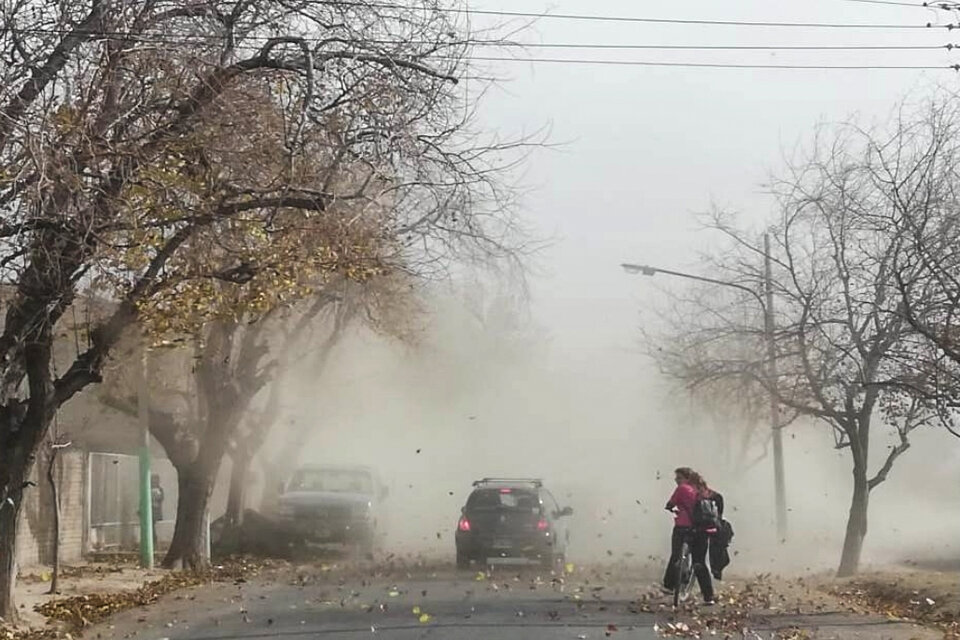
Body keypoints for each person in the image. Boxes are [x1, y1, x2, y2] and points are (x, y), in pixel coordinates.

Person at [662, 467, 715, 605]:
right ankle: (708, 596)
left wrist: (670, 507)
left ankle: (668, 585)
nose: (676, 480)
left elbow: (670, 504)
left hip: (683, 528)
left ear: (686, 478)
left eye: (679, 478)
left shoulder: (682, 489)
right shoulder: (702, 490)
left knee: (676, 555)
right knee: (699, 562)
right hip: (701, 530)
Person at [150, 473, 164, 550]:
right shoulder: (147, 488)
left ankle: (154, 541)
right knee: (152, 526)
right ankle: (153, 541)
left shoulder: (160, 489)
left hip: (155, 510)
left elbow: (161, 499)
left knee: (152, 525)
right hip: (151, 510)